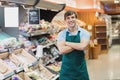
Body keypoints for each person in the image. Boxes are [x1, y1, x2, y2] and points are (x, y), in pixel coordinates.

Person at [57, 10, 90, 80]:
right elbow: (62, 50)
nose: (70, 20)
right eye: (68, 18)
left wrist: (66, 43)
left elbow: (82, 46)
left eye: (72, 17)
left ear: (76, 19)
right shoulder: (61, 34)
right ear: (65, 20)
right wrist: (78, 45)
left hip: (80, 71)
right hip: (66, 71)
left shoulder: (84, 33)